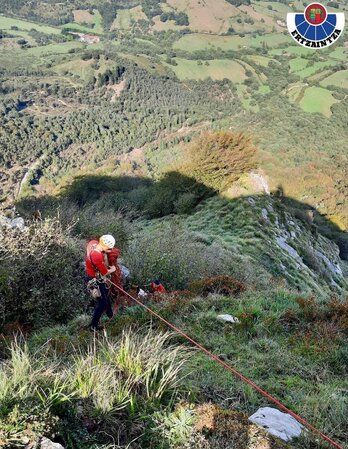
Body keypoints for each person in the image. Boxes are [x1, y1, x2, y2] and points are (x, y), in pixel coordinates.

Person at [86, 235, 117, 331]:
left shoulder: (93, 243)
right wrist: (113, 269)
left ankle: (110, 315)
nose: (110, 250)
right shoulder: (97, 256)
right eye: (109, 249)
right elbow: (105, 272)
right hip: (94, 280)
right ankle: (93, 326)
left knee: (105, 297)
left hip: (94, 275)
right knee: (102, 303)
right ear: (104, 246)